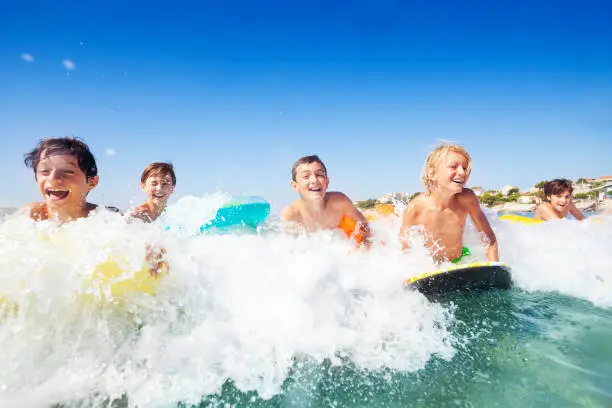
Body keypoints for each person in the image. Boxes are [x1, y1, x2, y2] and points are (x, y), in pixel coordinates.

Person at [399, 143, 498, 263]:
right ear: (432, 173)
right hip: (432, 267)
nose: (462, 172)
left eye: (465, 168)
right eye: (454, 166)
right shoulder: (416, 209)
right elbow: (406, 251)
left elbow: (489, 238)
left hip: (460, 259)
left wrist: (495, 268)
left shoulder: (467, 199)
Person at [21, 136, 119, 222]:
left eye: (67, 171)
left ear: (91, 182)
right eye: (45, 171)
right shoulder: (30, 215)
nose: (52, 178)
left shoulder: (106, 219)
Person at [281, 155, 370, 246]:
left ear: (327, 182)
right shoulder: (292, 214)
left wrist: (364, 242)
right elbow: (290, 249)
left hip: (343, 230)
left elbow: (363, 224)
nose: (314, 180)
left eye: (319, 175)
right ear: (294, 186)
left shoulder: (340, 202)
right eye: (306, 176)